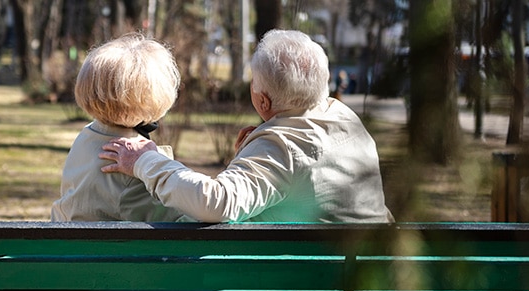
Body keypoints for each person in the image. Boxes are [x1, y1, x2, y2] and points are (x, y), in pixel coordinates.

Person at [99, 29, 394, 223]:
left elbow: (215, 204)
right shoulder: (346, 119)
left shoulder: (281, 148)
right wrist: (250, 156)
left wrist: (145, 161)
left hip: (311, 284)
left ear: (263, 101)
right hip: (365, 271)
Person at [51, 32, 187, 222]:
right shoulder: (131, 160)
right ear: (155, 96)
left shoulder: (88, 135)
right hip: (110, 250)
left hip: (68, 245)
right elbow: (176, 222)